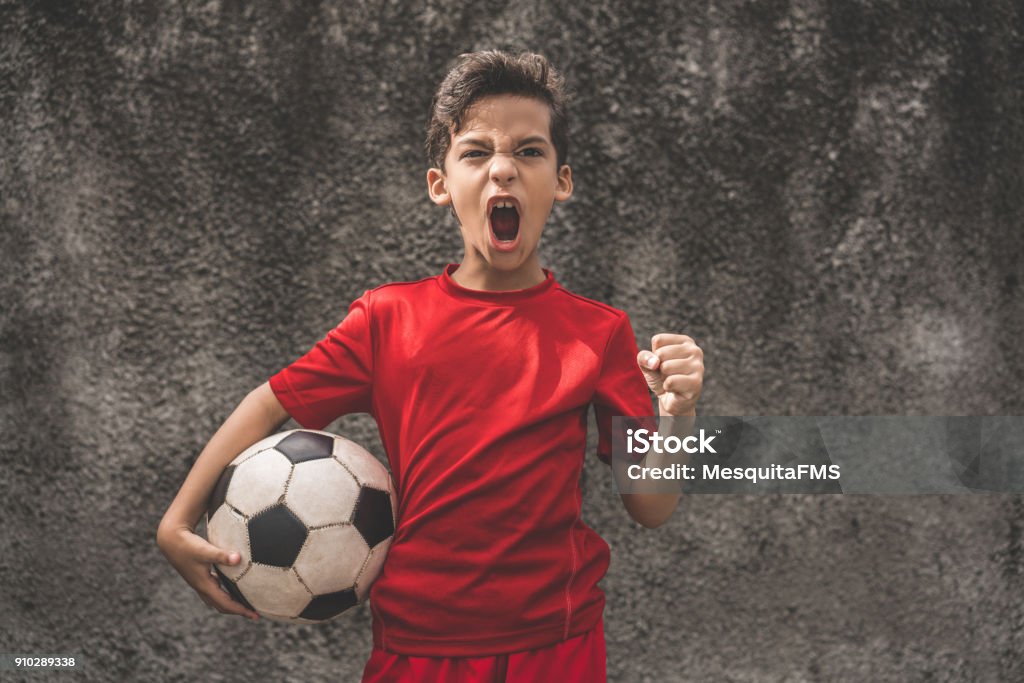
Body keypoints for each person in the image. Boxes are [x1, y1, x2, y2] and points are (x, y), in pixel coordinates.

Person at [157, 49, 705, 682]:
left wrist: (679, 416)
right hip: (418, 644)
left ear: (561, 180)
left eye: (529, 151)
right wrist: (175, 521)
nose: (503, 169)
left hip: (557, 643)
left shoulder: (600, 333)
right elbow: (270, 403)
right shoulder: (386, 320)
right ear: (441, 184)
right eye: (476, 153)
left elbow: (652, 507)